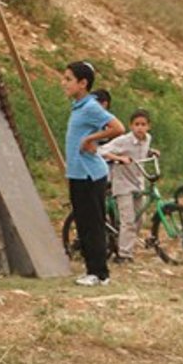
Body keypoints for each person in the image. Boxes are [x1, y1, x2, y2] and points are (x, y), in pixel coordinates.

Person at [62, 60, 123, 286]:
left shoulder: (90, 106)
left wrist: (91, 139)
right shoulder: (78, 106)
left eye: (68, 79)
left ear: (83, 83)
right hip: (77, 174)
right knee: (83, 223)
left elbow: (118, 127)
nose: (64, 83)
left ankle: (100, 273)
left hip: (90, 174)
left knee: (93, 224)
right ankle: (91, 270)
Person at [101, 109, 154, 263]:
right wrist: (119, 158)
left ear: (148, 126)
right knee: (128, 219)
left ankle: (124, 244)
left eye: (143, 124)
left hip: (138, 182)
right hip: (122, 183)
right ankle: (124, 254)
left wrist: (151, 153)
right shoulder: (123, 141)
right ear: (131, 126)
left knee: (140, 219)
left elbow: (141, 152)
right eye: (137, 124)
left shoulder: (147, 139)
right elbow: (101, 151)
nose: (140, 128)